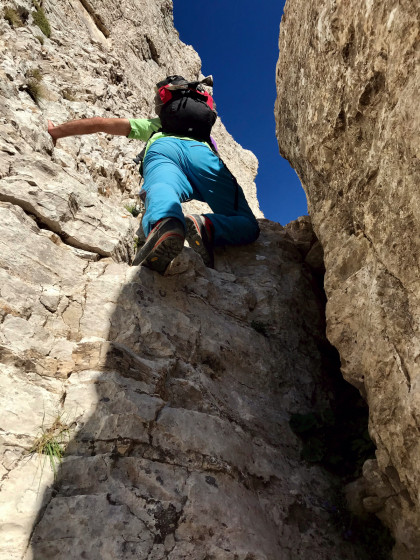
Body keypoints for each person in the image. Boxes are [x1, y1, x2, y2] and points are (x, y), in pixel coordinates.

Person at [48, 76, 260, 274]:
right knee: (246, 223)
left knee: (163, 187)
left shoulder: (155, 126)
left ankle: (166, 223)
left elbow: (99, 123)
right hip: (202, 153)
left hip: (162, 149)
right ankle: (206, 226)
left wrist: (56, 131)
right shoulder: (205, 136)